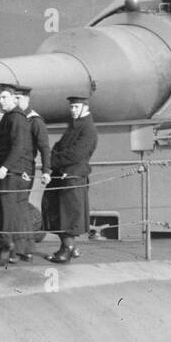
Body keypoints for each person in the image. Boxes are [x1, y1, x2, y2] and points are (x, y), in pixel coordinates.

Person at [0, 84, 51, 265]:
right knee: (18, 211)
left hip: (18, 170)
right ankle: (23, 249)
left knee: (11, 210)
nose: (2, 101)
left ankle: (12, 248)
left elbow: (40, 147)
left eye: (6, 97)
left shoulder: (30, 119)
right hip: (18, 169)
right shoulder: (16, 117)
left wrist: (46, 170)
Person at [44, 95, 99, 263]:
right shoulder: (75, 126)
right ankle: (71, 247)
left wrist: (52, 160)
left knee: (68, 214)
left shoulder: (88, 129)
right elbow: (58, 147)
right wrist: (56, 156)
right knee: (58, 211)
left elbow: (76, 154)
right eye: (71, 107)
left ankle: (66, 250)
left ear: (85, 108)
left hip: (73, 177)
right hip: (64, 176)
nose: (72, 110)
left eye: (76, 107)